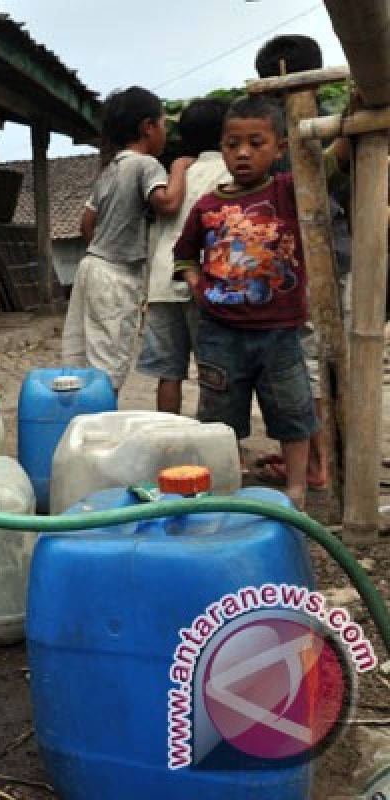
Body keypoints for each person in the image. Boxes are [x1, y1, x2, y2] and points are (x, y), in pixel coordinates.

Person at [173, 96, 316, 508]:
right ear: (222, 148)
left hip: (279, 331)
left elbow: (333, 166)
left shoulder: (290, 192)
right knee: (220, 414)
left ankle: (297, 488)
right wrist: (197, 285)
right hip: (219, 331)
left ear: (279, 148)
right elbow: (183, 254)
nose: (242, 153)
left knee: (292, 411)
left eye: (256, 143)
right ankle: (229, 484)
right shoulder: (207, 206)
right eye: (233, 144)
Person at [249, 33, 344, 492]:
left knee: (307, 364)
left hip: (317, 264)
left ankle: (317, 466)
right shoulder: (318, 125)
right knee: (315, 364)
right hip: (322, 262)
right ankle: (318, 456)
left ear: (282, 78)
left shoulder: (307, 132)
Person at [61, 86, 193, 391]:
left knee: (82, 360)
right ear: (148, 127)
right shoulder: (146, 165)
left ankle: (80, 423)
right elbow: (168, 203)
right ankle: (101, 428)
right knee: (108, 363)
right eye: (163, 124)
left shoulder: (110, 168)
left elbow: (86, 224)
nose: (165, 131)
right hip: (116, 275)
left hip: (90, 267)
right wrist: (179, 168)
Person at [137, 97, 231, 415]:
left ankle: (169, 436)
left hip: (163, 282)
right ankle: (216, 437)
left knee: (169, 371)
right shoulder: (231, 172)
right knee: (215, 370)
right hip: (207, 282)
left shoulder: (171, 176)